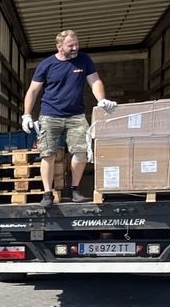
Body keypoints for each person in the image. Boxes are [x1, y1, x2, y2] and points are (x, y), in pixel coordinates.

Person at [21, 30, 115, 206]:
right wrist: (26, 114)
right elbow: (33, 91)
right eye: (70, 46)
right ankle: (48, 193)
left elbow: (95, 81)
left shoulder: (84, 60)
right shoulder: (46, 65)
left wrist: (101, 100)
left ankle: (75, 190)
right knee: (47, 154)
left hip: (76, 115)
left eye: (76, 44)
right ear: (59, 47)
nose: (75, 48)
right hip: (49, 115)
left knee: (81, 153)